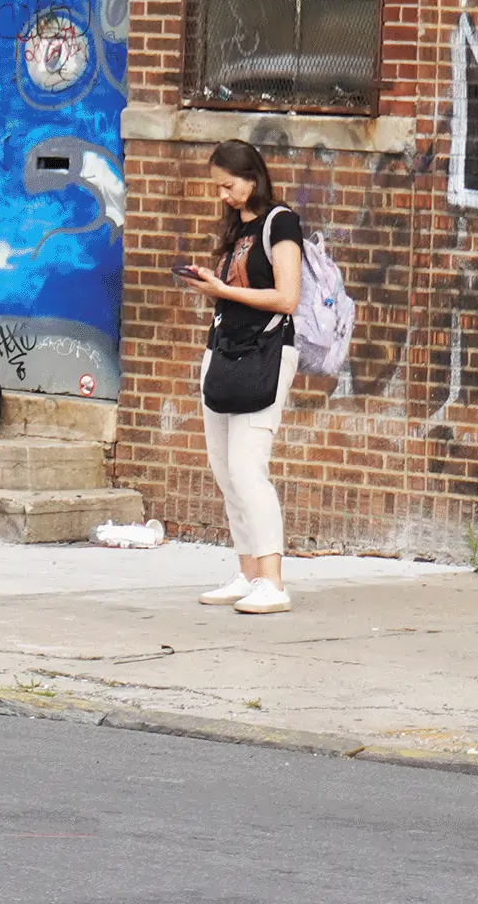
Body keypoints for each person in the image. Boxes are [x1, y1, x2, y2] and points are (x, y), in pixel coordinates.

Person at [174, 139, 302, 614]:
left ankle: (273, 581)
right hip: (223, 352)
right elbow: (235, 295)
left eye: (228, 185)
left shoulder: (280, 221)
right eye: (218, 188)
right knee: (225, 471)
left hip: (265, 355)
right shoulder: (236, 230)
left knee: (250, 470)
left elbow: (287, 298)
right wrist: (213, 287)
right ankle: (248, 573)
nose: (223, 195)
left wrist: (224, 287)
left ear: (253, 177)